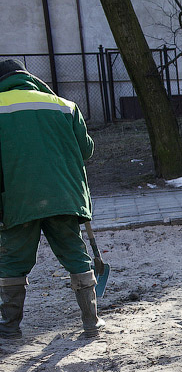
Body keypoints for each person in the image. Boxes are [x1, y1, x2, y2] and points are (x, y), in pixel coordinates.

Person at [0, 59, 105, 339]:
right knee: (75, 254)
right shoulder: (64, 106)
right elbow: (86, 150)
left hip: (17, 200)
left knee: (13, 261)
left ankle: (9, 327)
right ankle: (91, 322)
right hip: (63, 197)